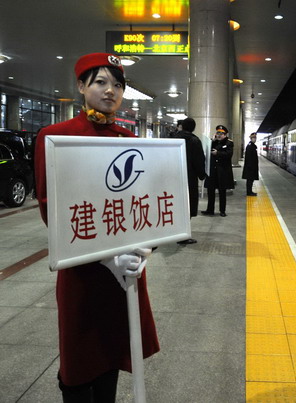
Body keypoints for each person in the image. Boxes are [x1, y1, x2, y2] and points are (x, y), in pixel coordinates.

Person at [34, 53, 159, 402]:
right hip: (83, 271)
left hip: (126, 270)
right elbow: (51, 209)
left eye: (117, 85)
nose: (110, 91)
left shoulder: (127, 137)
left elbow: (146, 202)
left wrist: (148, 245)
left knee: (113, 353)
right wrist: (105, 257)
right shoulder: (56, 136)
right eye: (101, 82)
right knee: (78, 356)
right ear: (80, 86)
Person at [174, 117, 206, 245]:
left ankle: (174, 232)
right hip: (189, 178)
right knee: (188, 205)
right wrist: (202, 175)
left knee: (175, 204)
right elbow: (199, 160)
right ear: (193, 128)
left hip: (172, 177)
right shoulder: (194, 140)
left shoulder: (172, 138)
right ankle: (183, 235)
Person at [201, 125, 234, 217]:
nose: (219, 135)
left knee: (222, 192)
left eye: (221, 133)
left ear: (225, 134)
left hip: (222, 171)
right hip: (212, 171)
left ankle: (222, 211)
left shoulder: (229, 143)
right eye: (218, 133)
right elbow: (206, 150)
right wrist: (212, 141)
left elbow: (228, 154)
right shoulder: (213, 142)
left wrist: (218, 153)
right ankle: (210, 209)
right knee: (210, 191)